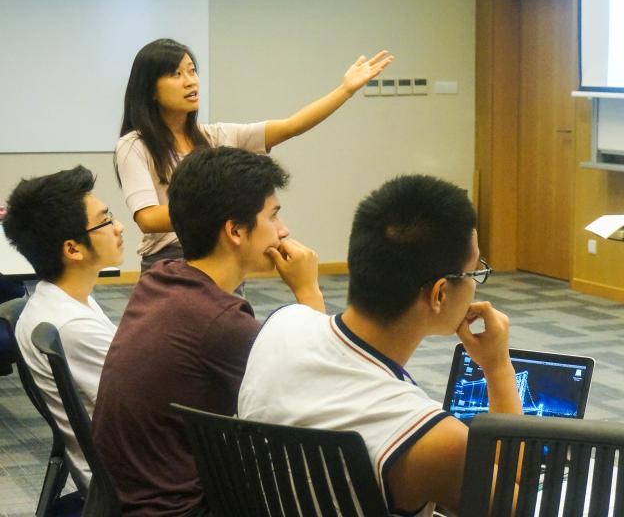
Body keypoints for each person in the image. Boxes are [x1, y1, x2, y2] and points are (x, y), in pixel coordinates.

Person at [238, 175, 521, 516]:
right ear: (440, 294)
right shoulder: (436, 440)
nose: (476, 285)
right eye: (474, 273)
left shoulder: (280, 326)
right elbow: (516, 501)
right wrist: (497, 367)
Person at [93, 147, 325, 516]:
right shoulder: (220, 322)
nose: (283, 231)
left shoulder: (161, 278)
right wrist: (309, 291)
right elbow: (317, 391)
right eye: (274, 216)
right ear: (235, 230)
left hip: (122, 502)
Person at [116, 38, 392, 271]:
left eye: (191, 71)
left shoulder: (214, 136)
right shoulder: (135, 145)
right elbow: (148, 219)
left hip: (222, 252)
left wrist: (345, 90)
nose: (190, 82)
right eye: (176, 74)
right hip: (170, 261)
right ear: (150, 90)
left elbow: (291, 126)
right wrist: (217, 210)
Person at [3, 166, 124, 483]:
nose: (119, 227)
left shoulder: (60, 298)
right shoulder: (72, 325)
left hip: (114, 464)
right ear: (72, 249)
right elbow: (142, 409)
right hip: (128, 480)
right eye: (106, 220)